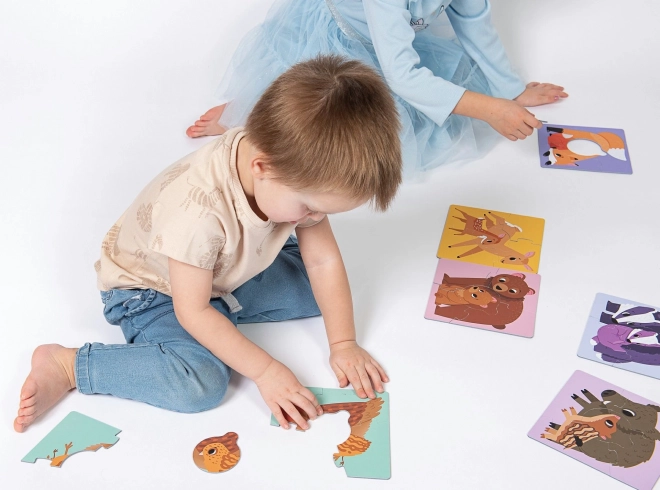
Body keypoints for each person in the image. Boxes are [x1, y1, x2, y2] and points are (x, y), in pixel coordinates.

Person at [14, 55, 402, 433]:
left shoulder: (285, 162)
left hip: (220, 271)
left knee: (316, 287)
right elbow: (194, 311)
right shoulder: (196, 215)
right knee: (199, 382)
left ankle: (228, 315)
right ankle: (69, 366)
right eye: (308, 208)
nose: (310, 219)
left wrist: (344, 343)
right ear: (262, 167)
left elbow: (322, 262)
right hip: (155, 291)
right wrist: (266, 371)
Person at [186, 0, 567, 177]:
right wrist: (489, 109)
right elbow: (402, 75)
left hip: (388, 45)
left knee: (407, 132)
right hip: (337, 39)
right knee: (322, 119)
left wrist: (510, 90)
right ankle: (242, 110)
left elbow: (475, 26)